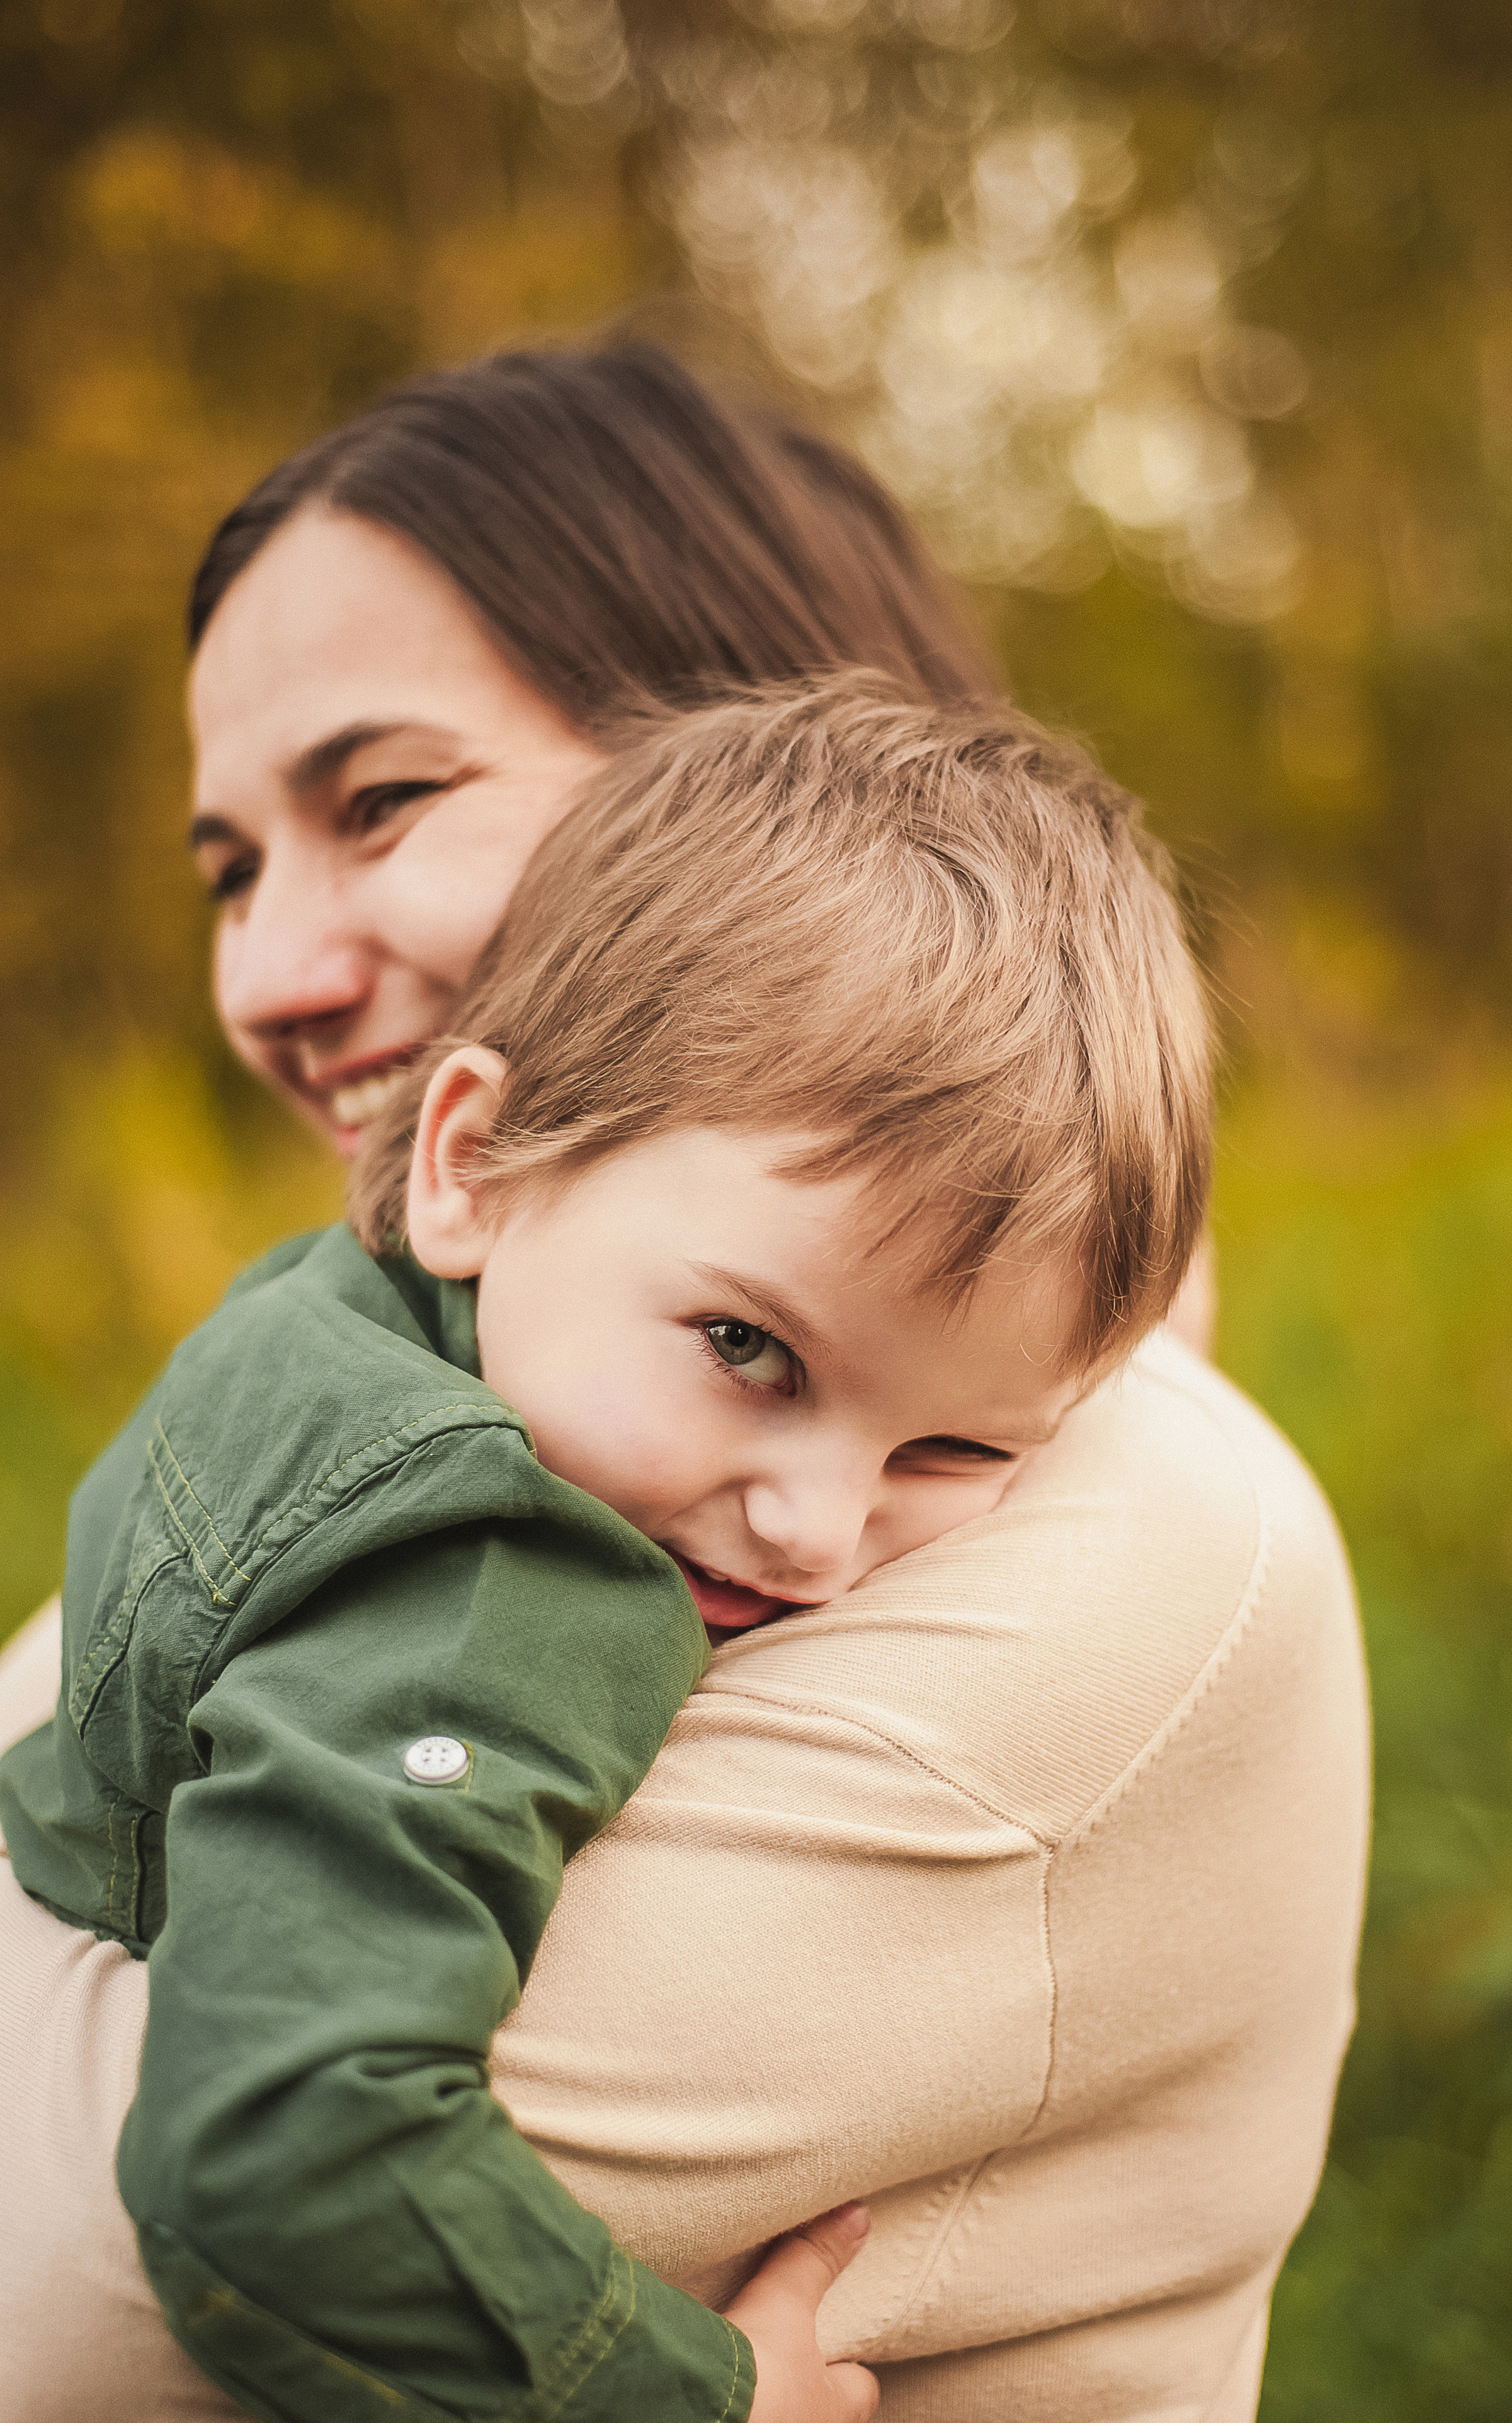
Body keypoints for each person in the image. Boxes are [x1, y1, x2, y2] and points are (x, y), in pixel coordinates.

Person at [0, 345, 1368, 2423]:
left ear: (742, 767)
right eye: (229, 869)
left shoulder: (1137, 1537)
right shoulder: (397, 1384)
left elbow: (81, 2305)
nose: (264, 975)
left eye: (380, 799)